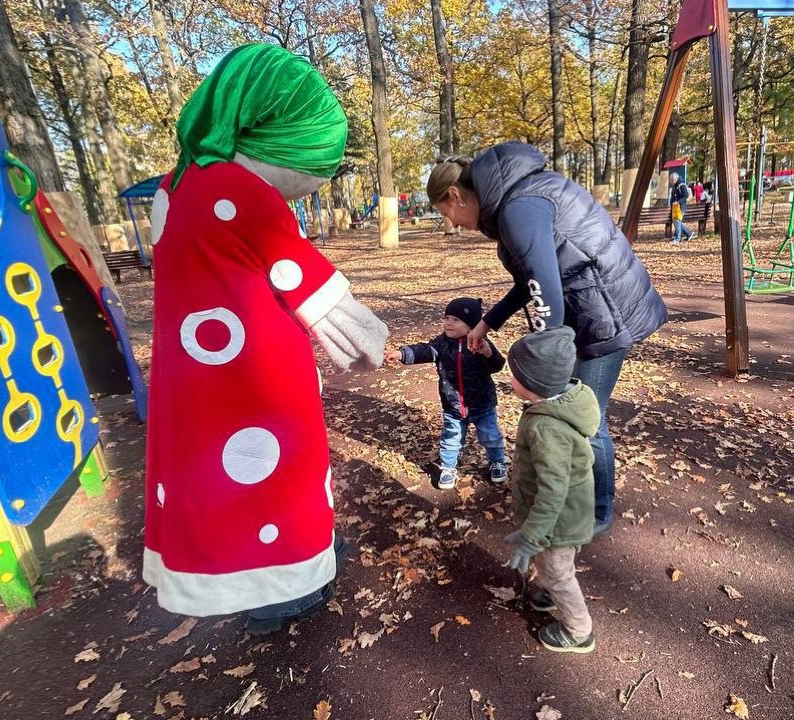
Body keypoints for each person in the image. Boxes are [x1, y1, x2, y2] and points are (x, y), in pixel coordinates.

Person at [143, 43, 389, 634]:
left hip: (197, 372)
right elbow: (301, 274)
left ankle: (298, 558)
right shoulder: (237, 189)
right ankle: (284, 584)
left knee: (221, 475)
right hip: (254, 378)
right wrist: (362, 333)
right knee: (275, 471)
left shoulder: (175, 186)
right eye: (308, 172)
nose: (302, 191)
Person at [425, 142, 667, 536]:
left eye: (445, 213)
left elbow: (545, 289)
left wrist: (543, 363)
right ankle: (571, 494)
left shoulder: (519, 208)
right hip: (590, 308)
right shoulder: (515, 201)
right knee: (576, 412)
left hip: (604, 314)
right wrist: (488, 323)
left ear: (455, 196)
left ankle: (597, 513)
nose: (452, 223)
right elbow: (529, 281)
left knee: (586, 418)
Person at [503, 326, 600, 653]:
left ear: (533, 385)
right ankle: (548, 588)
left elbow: (553, 490)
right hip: (564, 515)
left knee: (559, 572)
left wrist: (532, 536)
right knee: (552, 567)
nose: (510, 379)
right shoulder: (558, 404)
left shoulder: (547, 427)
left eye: (514, 374)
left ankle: (579, 631)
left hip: (557, 523)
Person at [385, 297, 507, 488]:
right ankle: (448, 468)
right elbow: (425, 351)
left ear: (472, 327)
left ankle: (497, 461)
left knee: (490, 436)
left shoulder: (480, 343)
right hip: (453, 406)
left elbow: (497, 365)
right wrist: (403, 353)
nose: (448, 323)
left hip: (483, 404)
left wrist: (488, 353)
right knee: (451, 438)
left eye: (456, 320)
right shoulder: (441, 344)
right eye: (446, 317)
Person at [669, 173, 695, 243]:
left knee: (677, 221)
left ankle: (677, 238)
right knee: (677, 221)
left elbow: (685, 196)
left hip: (681, 206)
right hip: (676, 206)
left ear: (674, 179)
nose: (670, 182)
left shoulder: (681, 185)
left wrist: (678, 202)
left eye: (671, 180)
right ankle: (688, 233)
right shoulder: (676, 185)